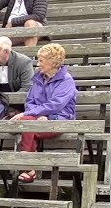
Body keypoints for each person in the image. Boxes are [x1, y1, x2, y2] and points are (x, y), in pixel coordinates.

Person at [13, 43, 76, 184]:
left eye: (41, 60)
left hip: (59, 120)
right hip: (36, 121)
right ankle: (29, 168)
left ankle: (28, 167)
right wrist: (36, 115)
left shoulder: (66, 80)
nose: (38, 64)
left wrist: (46, 116)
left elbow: (57, 104)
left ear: (53, 62)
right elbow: (30, 101)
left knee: (27, 124)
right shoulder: (38, 78)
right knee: (28, 123)